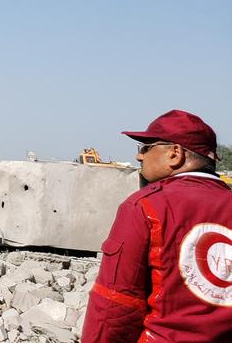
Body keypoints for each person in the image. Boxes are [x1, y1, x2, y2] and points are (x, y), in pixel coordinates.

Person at [81, 109, 232, 343]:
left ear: (175, 154)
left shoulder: (145, 206)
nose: (139, 156)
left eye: (146, 147)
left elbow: (116, 304)